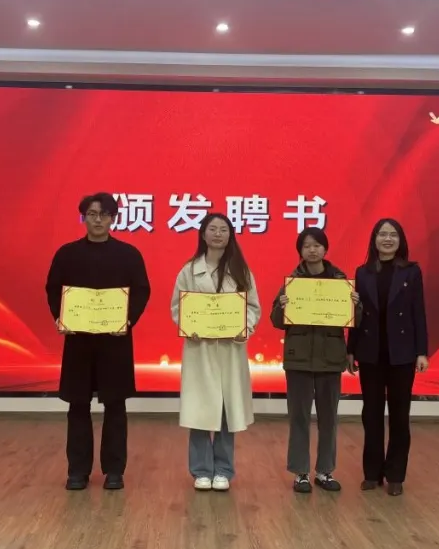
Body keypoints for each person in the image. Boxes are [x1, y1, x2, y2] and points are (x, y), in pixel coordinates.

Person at [45, 192, 151, 491]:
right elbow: (53, 288)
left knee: (115, 406)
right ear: (84, 218)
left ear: (113, 218)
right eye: (92, 214)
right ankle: (77, 471)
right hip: (78, 340)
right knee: (78, 405)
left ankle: (114, 471)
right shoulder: (67, 254)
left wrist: (127, 320)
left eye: (104, 214)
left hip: (115, 341)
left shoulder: (128, 254)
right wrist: (61, 317)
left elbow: (141, 290)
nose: (98, 220)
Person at [170, 213, 260, 491]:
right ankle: (200, 470)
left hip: (230, 349)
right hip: (200, 349)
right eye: (213, 229)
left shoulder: (241, 270)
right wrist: (189, 326)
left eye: (223, 229)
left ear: (230, 235)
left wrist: (244, 327)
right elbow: (178, 307)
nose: (218, 234)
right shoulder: (189, 271)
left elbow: (253, 307)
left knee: (226, 412)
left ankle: (223, 469)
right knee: (199, 411)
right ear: (203, 234)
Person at [270, 228, 361, 494]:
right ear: (300, 250)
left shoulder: (340, 282)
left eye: (317, 245)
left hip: (330, 358)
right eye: (307, 246)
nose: (312, 250)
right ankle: (300, 473)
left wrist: (355, 305)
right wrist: (282, 306)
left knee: (328, 418)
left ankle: (325, 471)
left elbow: (356, 320)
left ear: (325, 249)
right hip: (298, 359)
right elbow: (276, 321)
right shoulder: (293, 283)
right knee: (299, 417)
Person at [347, 218, 429, 496]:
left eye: (393, 234)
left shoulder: (411, 272)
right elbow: (356, 315)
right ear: (374, 240)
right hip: (370, 353)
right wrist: (350, 349)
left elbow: (418, 312)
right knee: (371, 414)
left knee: (399, 416)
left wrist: (421, 351)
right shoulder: (363, 272)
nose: (387, 239)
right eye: (382, 234)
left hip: (402, 354)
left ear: (400, 240)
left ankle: (395, 475)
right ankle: (372, 473)